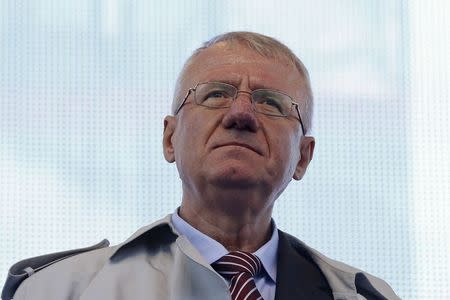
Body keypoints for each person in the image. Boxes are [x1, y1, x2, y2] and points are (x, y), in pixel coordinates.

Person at [2, 31, 399, 300]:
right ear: (170, 138)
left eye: (271, 103)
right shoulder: (58, 290)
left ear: (304, 157)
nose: (241, 114)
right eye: (214, 95)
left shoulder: (360, 295)